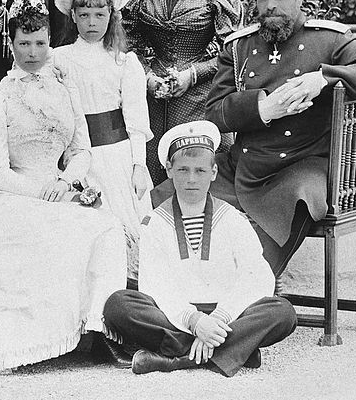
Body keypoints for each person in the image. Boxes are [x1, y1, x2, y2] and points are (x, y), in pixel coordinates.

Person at [0, 0, 127, 373]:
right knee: (48, 228)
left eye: (40, 44)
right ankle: (34, 339)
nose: (32, 53)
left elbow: (80, 150)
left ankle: (98, 330)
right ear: (11, 43)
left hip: (58, 188)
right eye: (24, 44)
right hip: (8, 193)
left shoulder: (64, 88)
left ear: (49, 43)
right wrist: (39, 192)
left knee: (108, 228)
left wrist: (67, 182)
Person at [205, 0, 356, 277]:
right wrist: (262, 108)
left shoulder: (330, 40)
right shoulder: (239, 47)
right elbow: (214, 113)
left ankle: (246, 291)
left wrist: (324, 77)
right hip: (246, 164)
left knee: (294, 201)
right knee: (172, 193)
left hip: (306, 163)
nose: (271, 6)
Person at [103, 121, 297, 377]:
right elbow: (155, 285)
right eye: (183, 170)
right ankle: (235, 350)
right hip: (175, 315)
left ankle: (174, 359)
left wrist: (218, 319)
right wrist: (195, 322)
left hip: (226, 314)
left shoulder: (231, 218)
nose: (192, 179)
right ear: (169, 170)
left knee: (283, 312)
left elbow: (257, 275)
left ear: (214, 172)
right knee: (119, 304)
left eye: (200, 170)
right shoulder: (155, 223)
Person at [124, 0, 243, 186]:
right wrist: (149, 76)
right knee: (154, 174)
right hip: (154, 99)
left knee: (195, 174)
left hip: (200, 99)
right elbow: (129, 45)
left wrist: (193, 73)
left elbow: (232, 53)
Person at [52, 0, 154, 282]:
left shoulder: (124, 61)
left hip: (118, 157)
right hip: (79, 158)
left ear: (111, 15)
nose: (92, 23)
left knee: (127, 226)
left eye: (99, 14)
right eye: (85, 15)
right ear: (73, 16)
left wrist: (139, 165)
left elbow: (136, 121)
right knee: (87, 227)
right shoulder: (59, 58)